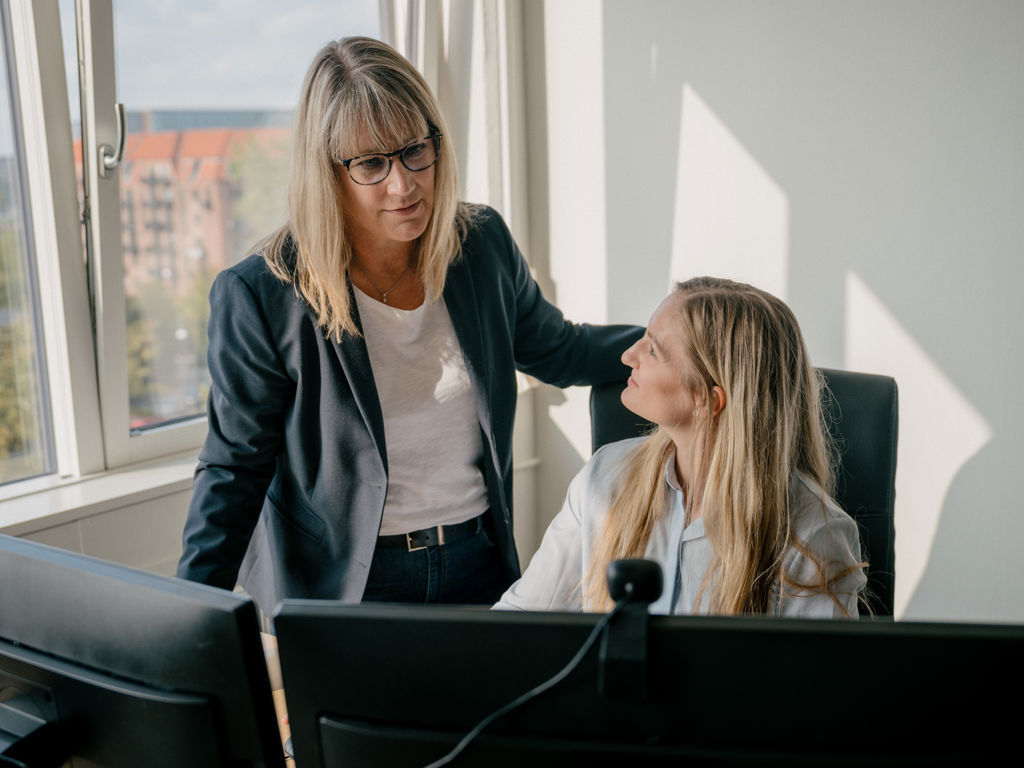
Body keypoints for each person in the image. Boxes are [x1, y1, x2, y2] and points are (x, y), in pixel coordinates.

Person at [175, 37, 641, 616]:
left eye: (415, 150)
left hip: (479, 563)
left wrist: (679, 343)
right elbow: (235, 468)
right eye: (371, 163)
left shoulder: (480, 246)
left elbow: (561, 349)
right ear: (328, 174)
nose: (404, 185)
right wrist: (186, 621)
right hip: (348, 587)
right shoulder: (263, 294)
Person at [495, 277, 866, 617]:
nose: (627, 356)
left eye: (653, 351)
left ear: (707, 399)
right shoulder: (605, 477)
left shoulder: (814, 535)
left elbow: (814, 687)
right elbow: (520, 619)